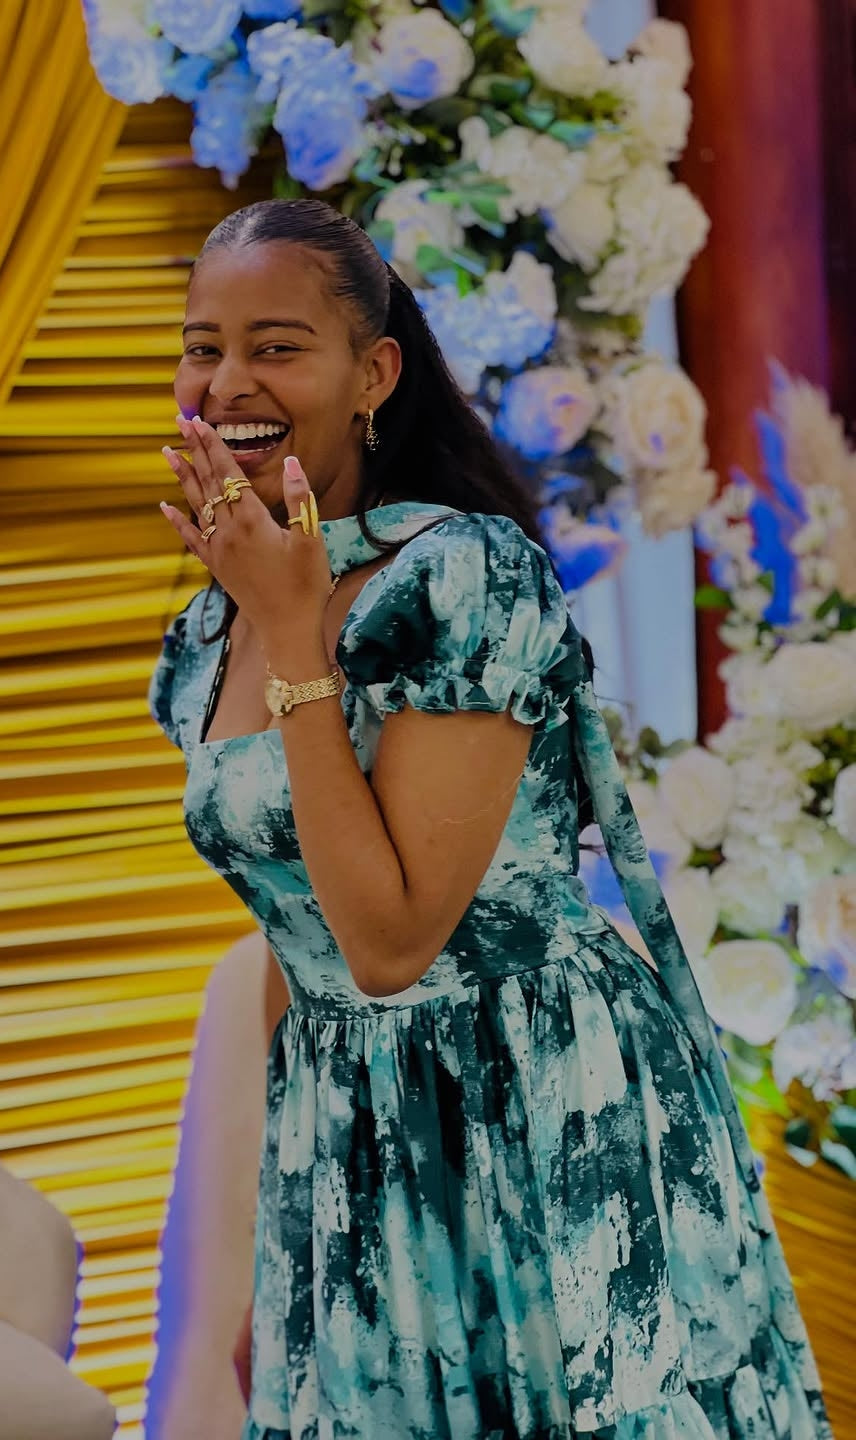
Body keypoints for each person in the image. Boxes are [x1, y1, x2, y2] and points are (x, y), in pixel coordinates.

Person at [148, 198, 831, 1440]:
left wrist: (299, 636)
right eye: (203, 346)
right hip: (347, 1130)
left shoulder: (461, 575)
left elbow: (393, 941)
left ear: (375, 373)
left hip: (537, 1097)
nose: (228, 380)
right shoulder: (209, 621)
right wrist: (284, 1246)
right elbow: (299, 946)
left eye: (276, 345)